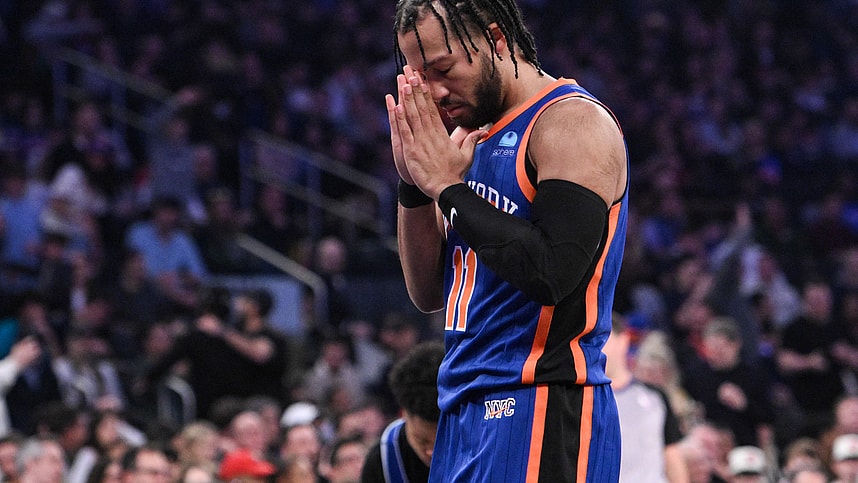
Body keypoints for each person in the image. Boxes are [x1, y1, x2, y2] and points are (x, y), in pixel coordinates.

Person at [387, 0, 629, 481]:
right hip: (461, 407)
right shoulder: (465, 140)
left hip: (543, 399)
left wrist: (447, 188)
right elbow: (428, 292)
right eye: (418, 74)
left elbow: (553, 273)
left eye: (443, 68)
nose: (434, 91)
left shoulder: (570, 124)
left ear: (497, 40)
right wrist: (413, 184)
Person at [603, 313, 688, 483]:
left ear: (623, 340)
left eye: (604, 338)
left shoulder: (655, 397)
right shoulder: (583, 401)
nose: (597, 346)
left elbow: (672, 457)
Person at [360, 341, 444, 483]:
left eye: (443, 442)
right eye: (422, 442)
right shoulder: (382, 462)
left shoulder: (482, 449)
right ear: (404, 414)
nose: (432, 452)